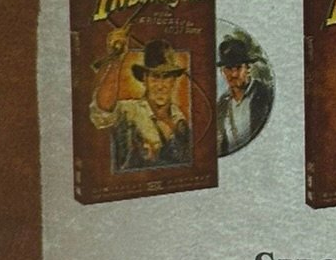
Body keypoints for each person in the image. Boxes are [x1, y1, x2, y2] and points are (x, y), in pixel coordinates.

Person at [89, 30, 193, 171]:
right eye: (155, 77)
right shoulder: (129, 111)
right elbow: (103, 110)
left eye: (166, 77)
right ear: (145, 79)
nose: (161, 86)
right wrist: (116, 60)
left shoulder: (180, 118)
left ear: (174, 80)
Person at [216, 32, 274, 156]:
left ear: (248, 68)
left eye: (238, 68)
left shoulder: (265, 95)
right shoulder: (222, 104)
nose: (233, 74)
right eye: (228, 69)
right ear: (222, 71)